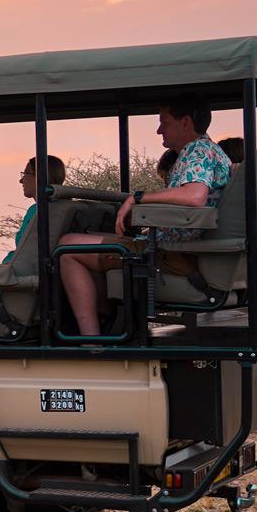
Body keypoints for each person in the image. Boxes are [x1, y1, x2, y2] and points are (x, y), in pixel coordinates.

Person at [58, 94, 230, 338]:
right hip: (180, 250)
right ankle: (110, 322)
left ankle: (91, 341)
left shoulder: (197, 150)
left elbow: (194, 196)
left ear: (186, 123)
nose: (159, 130)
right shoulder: (210, 151)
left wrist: (138, 198)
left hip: (174, 255)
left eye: (165, 121)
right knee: (88, 240)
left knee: (67, 248)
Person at [2, 154, 65, 263]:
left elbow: (25, 253)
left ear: (39, 177)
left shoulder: (39, 210)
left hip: (18, 272)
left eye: (25, 174)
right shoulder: (63, 208)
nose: (21, 181)